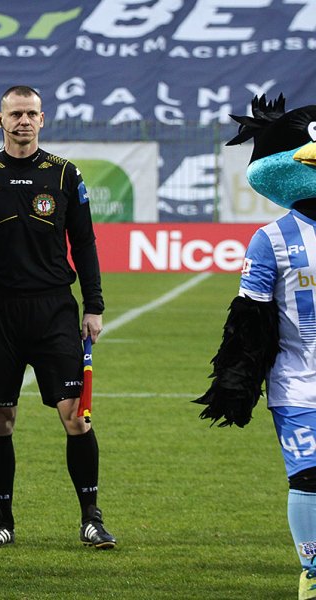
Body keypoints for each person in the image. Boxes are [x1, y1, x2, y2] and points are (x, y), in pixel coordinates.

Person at [0, 85, 116, 550]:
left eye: (31, 113)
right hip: (0, 311)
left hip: (54, 310)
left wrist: (94, 305)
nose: (24, 121)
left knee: (77, 417)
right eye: (16, 114)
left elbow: (84, 243)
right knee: (0, 419)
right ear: (0, 120)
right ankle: (2, 520)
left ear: (42, 119)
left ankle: (91, 518)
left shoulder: (65, 174)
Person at [194, 94, 316, 600]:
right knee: (309, 478)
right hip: (298, 383)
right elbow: (249, 319)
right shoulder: (272, 239)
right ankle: (313, 569)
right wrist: (237, 378)